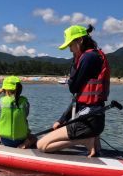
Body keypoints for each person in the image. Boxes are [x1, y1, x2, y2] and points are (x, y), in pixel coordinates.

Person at [36, 24, 111, 157]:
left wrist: (74, 62)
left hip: (88, 121)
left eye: (71, 45)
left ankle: (86, 140)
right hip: (94, 119)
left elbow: (73, 87)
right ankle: (91, 141)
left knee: (42, 145)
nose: (70, 50)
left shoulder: (88, 58)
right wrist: (61, 120)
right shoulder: (94, 55)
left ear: (80, 41)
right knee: (51, 138)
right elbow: (78, 97)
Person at [0, 75, 34, 148]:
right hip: (21, 140)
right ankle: (26, 143)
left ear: (4, 90)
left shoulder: (2, 101)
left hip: (4, 140)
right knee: (33, 137)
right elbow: (26, 115)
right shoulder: (25, 102)